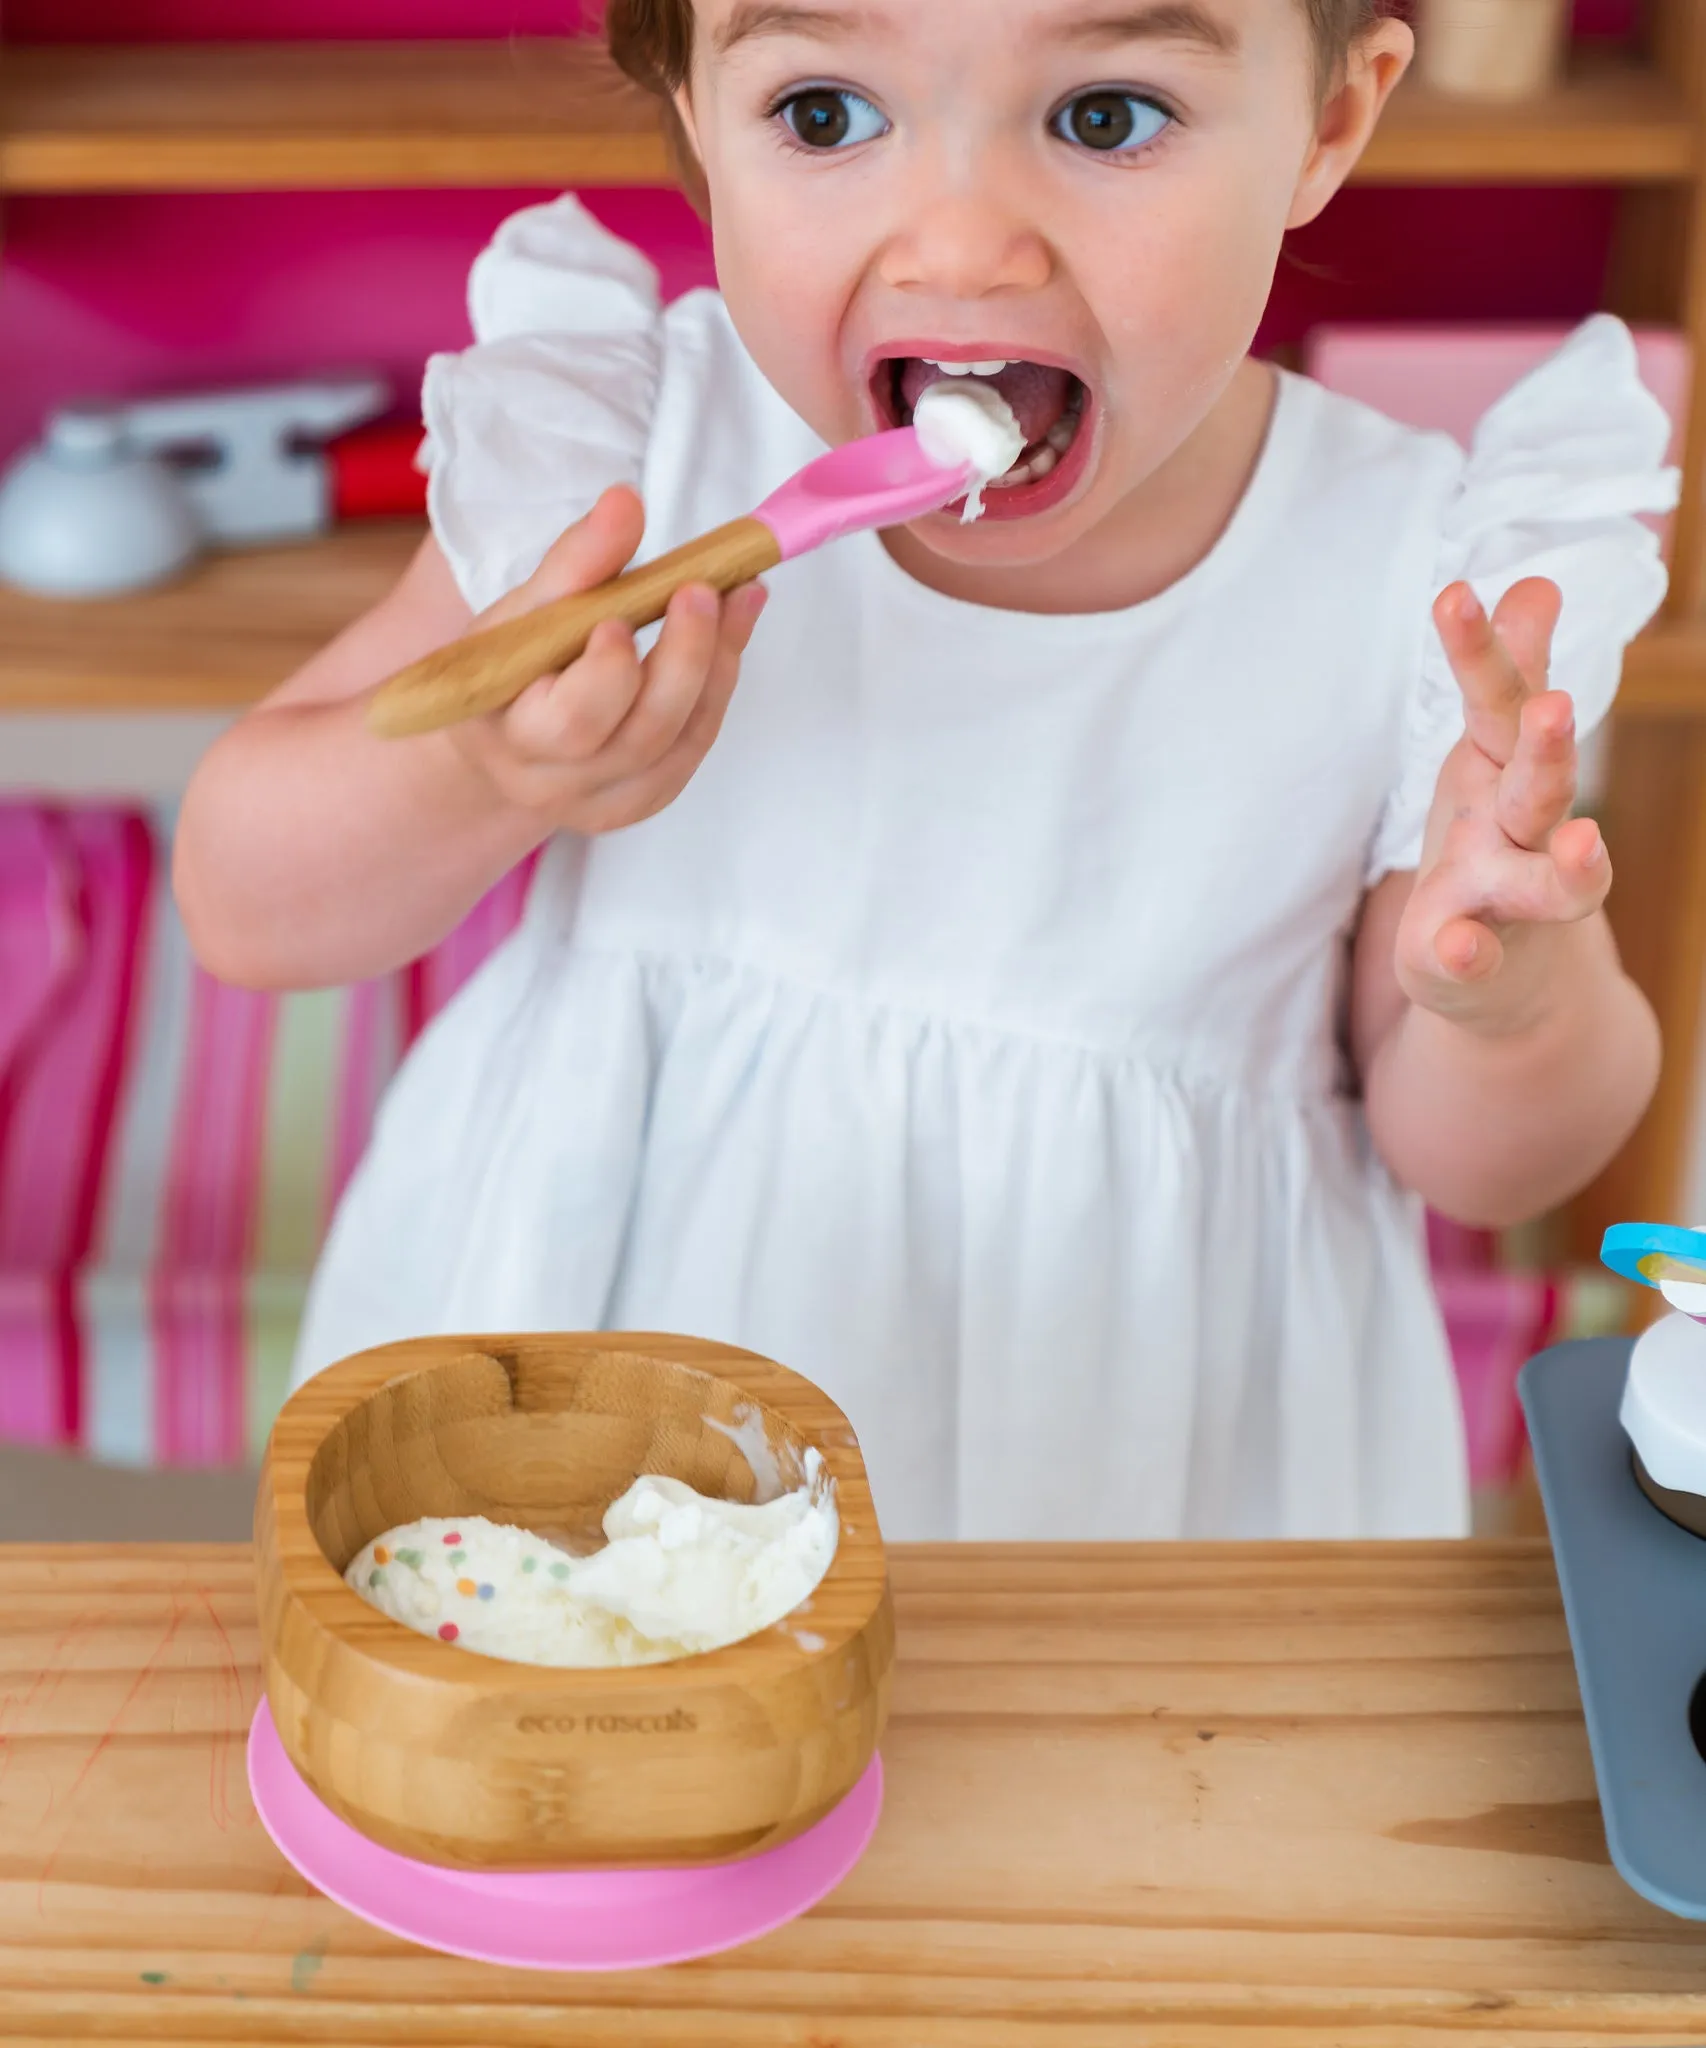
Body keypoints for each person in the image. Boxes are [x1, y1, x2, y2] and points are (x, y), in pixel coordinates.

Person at [174, 0, 1674, 1541]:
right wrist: (487, 777)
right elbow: (246, 903)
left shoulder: (1414, 579)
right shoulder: (627, 467)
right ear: (696, 111)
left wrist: (1506, 997)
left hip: (1139, 1479)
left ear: (1327, 126)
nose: (959, 250)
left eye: (1103, 117)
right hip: (596, 1437)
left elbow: (1489, 1167)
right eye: (825, 114)